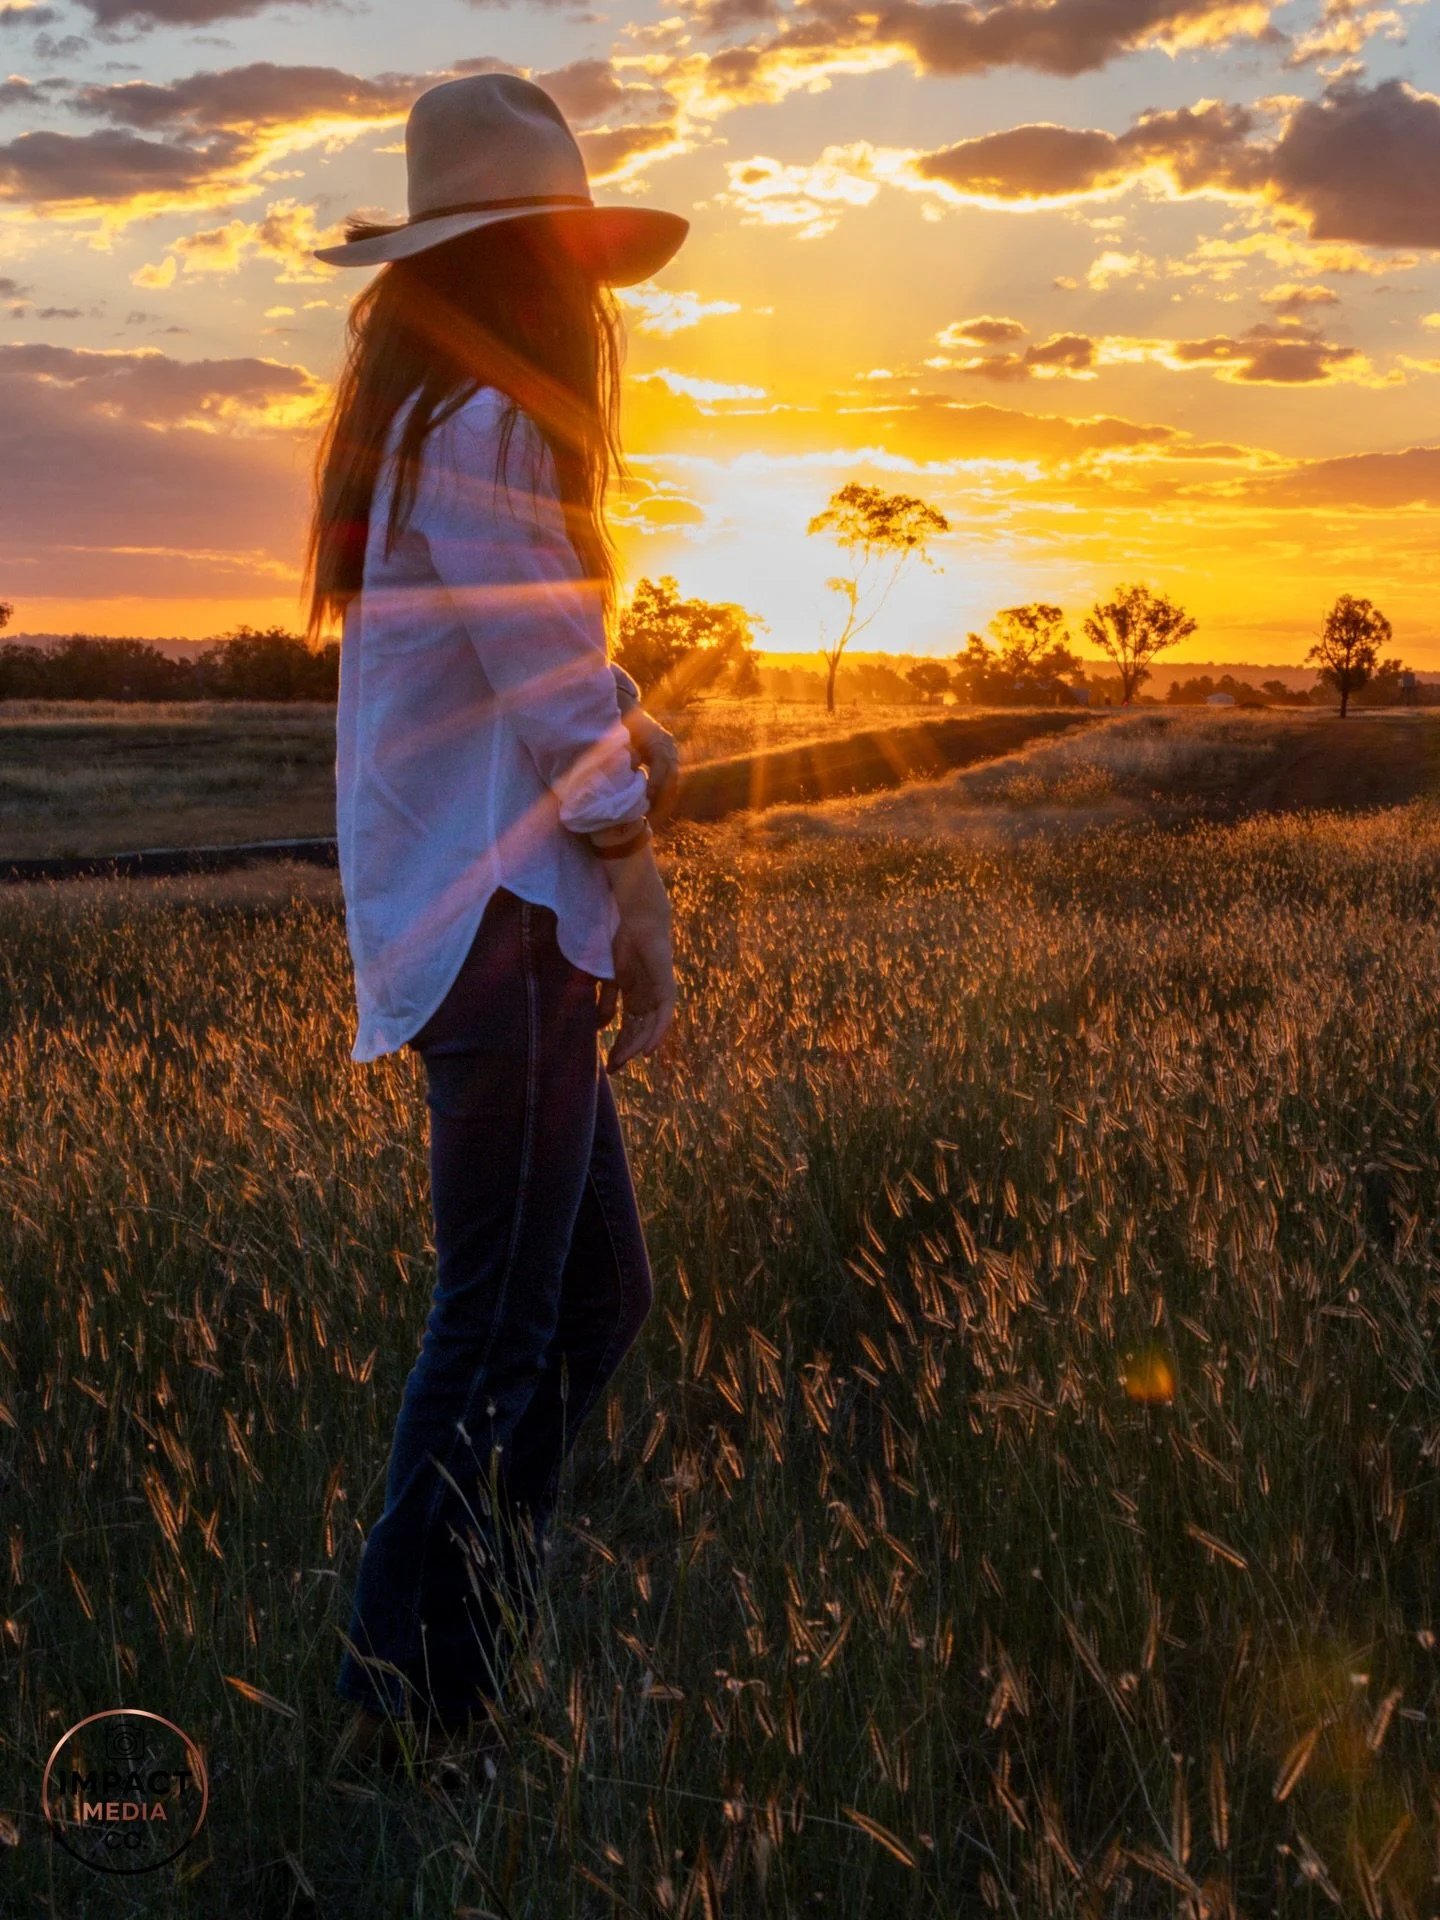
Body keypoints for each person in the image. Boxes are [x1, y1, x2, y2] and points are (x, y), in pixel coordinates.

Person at [305, 72, 688, 1773]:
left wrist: (624, 730)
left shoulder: (432, 430)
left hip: (491, 931)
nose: (595, 299)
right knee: (499, 1324)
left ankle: (475, 1628)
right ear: (530, 263)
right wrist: (645, 871)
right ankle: (407, 1713)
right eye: (575, 259)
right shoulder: (490, 425)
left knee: (588, 1300)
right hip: (507, 935)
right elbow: (554, 705)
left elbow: (543, 661)